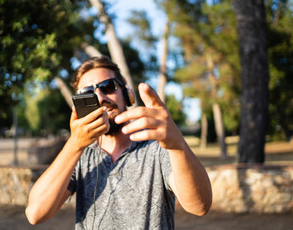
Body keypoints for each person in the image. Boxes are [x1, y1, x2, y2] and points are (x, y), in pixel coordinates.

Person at [25, 56, 212, 229]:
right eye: (87, 92)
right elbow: (35, 214)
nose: (99, 97)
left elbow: (199, 206)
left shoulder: (158, 147)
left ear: (127, 94)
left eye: (108, 86)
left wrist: (178, 145)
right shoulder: (78, 156)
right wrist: (75, 144)